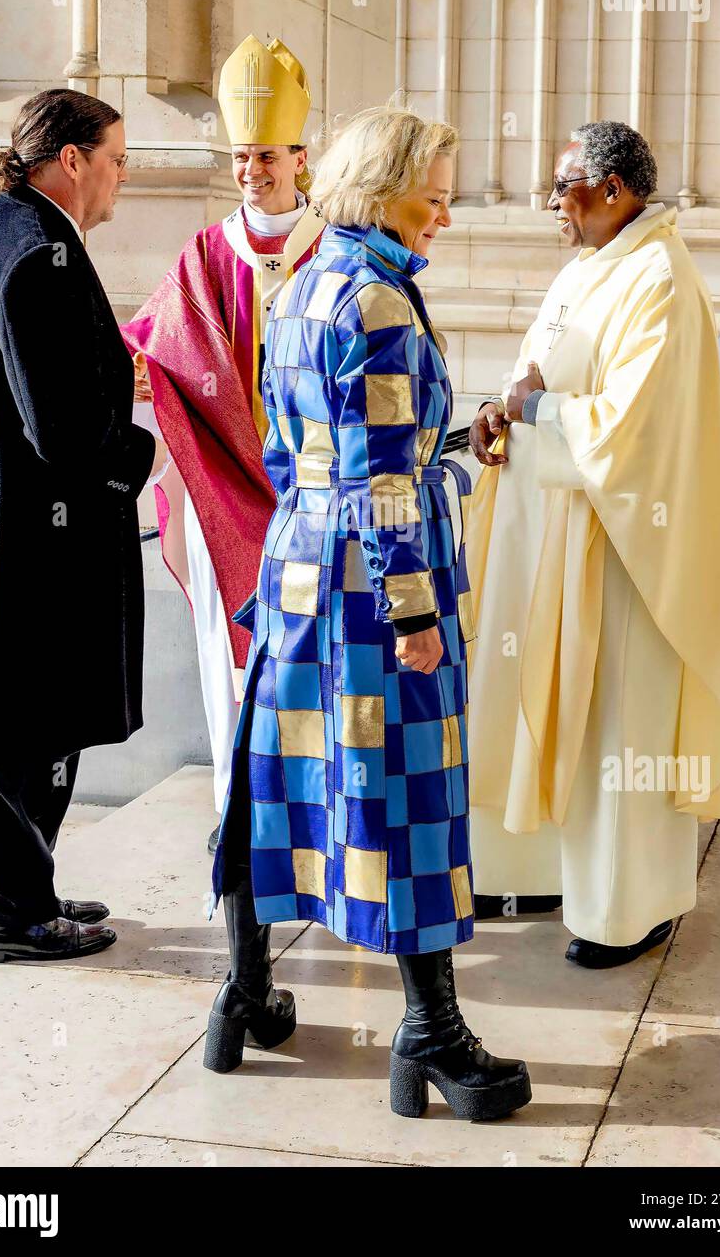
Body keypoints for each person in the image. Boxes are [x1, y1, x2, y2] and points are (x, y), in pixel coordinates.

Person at [203, 104, 531, 1122]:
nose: (443, 212)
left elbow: (280, 452)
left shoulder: (300, 286)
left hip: (297, 563)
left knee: (278, 780)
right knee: (412, 799)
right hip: (372, 587)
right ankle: (431, 1034)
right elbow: (385, 483)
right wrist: (413, 611)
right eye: (430, 195)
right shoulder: (379, 304)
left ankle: (246, 996)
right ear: (380, 190)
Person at [465, 121, 720, 969]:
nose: (552, 203)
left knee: (617, 728)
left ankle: (631, 907)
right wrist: (497, 410)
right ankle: (545, 869)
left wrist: (533, 414)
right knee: (552, 712)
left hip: (626, 550)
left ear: (615, 188)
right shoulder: (588, 269)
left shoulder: (658, 278)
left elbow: (632, 431)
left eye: (564, 187)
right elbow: (538, 374)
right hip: (555, 533)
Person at [0, 89, 166, 964]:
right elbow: (62, 433)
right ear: (70, 159)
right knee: (25, 728)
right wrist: (145, 450)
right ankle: (5, 915)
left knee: (31, 724)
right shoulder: (36, 254)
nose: (120, 177)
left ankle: (19, 889)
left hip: (14, 531)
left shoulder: (2, 231)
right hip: (34, 542)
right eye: (115, 158)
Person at [121, 37, 325, 847]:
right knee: (226, 654)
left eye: (266, 156)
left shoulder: (335, 248)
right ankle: (235, 809)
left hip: (314, 493)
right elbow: (152, 338)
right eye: (241, 157)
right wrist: (141, 373)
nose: (251, 171)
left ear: (300, 157)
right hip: (219, 487)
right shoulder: (207, 252)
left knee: (310, 657)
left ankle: (305, 808)